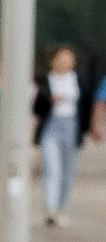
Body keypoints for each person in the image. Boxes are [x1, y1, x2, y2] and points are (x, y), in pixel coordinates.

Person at [39, 42, 83, 227]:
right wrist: (49, 100)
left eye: (68, 59)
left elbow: (86, 106)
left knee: (68, 172)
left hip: (71, 127)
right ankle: (51, 208)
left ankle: (62, 207)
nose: (64, 62)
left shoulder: (78, 80)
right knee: (53, 169)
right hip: (51, 127)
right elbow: (36, 107)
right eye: (61, 59)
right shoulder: (46, 80)